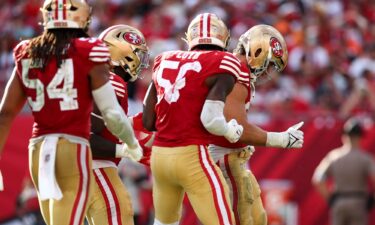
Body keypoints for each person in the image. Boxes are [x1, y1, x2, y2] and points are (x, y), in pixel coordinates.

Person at [0, 1, 142, 224]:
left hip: (38, 150)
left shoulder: (25, 50)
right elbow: (111, 115)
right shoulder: (89, 51)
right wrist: (130, 145)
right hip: (72, 147)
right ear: (83, 19)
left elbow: (5, 113)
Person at [142, 13, 245, 225]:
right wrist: (228, 130)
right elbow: (210, 118)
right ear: (223, 39)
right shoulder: (224, 61)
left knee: (164, 223)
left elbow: (148, 120)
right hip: (191, 155)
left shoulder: (164, 58)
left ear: (190, 38)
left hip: (160, 157)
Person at [208, 24, 304, 225]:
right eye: (268, 64)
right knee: (241, 219)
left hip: (232, 156)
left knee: (258, 218)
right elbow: (238, 128)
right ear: (257, 52)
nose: (268, 72)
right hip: (223, 157)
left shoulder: (239, 71)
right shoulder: (236, 71)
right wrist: (282, 139)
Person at [86, 24, 151, 225]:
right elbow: (86, 134)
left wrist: (129, 125)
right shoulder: (111, 81)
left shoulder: (92, 75)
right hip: (96, 169)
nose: (141, 61)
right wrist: (125, 150)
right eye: (137, 54)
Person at [312, 117, 375, 225]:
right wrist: (372, 199)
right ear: (360, 137)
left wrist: (330, 198)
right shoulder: (365, 159)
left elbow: (317, 179)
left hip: (339, 202)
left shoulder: (334, 157)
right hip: (358, 202)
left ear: (344, 136)